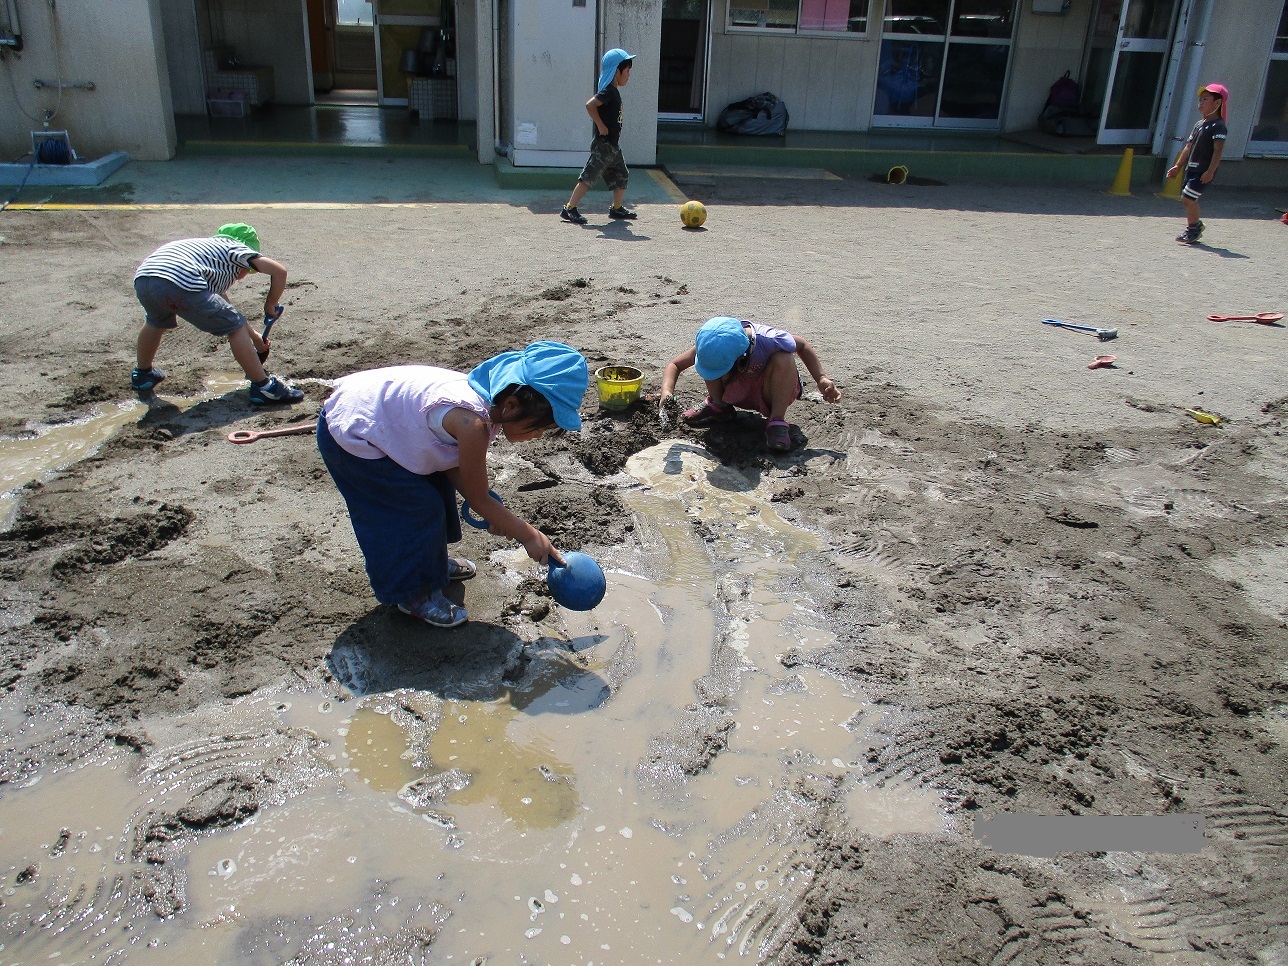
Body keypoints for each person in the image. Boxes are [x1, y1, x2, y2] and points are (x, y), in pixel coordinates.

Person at [316, 342, 589, 628]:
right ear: (511, 406)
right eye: (539, 428)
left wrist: (498, 516)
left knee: (436, 492)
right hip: (354, 435)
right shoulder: (472, 423)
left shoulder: (486, 406)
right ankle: (412, 593)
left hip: (386, 426)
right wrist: (529, 535)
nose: (538, 437)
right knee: (414, 509)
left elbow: (458, 473)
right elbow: (478, 497)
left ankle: (427, 564)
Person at [131, 223, 304, 404]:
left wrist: (254, 338)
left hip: (146, 278)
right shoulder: (236, 249)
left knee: (155, 322)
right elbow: (279, 271)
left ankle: (143, 375)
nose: (245, 274)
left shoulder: (206, 255)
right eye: (248, 269)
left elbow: (226, 309)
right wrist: (271, 304)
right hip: (182, 279)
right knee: (235, 329)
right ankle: (264, 388)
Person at [659, 316, 841, 453]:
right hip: (737, 386)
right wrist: (667, 393)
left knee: (784, 357)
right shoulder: (711, 342)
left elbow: (802, 346)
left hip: (771, 389)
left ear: (741, 357)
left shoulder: (770, 339)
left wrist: (821, 378)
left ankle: (777, 421)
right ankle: (719, 405)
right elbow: (674, 365)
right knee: (709, 360)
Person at [560, 48, 637, 226]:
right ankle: (569, 208)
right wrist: (601, 126)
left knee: (621, 174)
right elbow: (590, 105)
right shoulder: (608, 92)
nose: (628, 75)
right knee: (589, 176)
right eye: (627, 71)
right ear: (617, 71)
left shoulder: (613, 92)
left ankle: (616, 208)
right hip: (604, 146)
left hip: (612, 146)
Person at [1166, 83, 1228, 245]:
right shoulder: (1199, 124)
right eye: (1199, 100)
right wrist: (1178, 166)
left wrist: (1210, 171)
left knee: (1188, 199)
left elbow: (1218, 151)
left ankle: (1194, 228)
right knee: (1186, 198)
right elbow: (1188, 146)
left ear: (1217, 104)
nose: (1200, 103)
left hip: (1204, 171)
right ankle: (1195, 226)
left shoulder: (1218, 126)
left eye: (1205, 99)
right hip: (1192, 169)